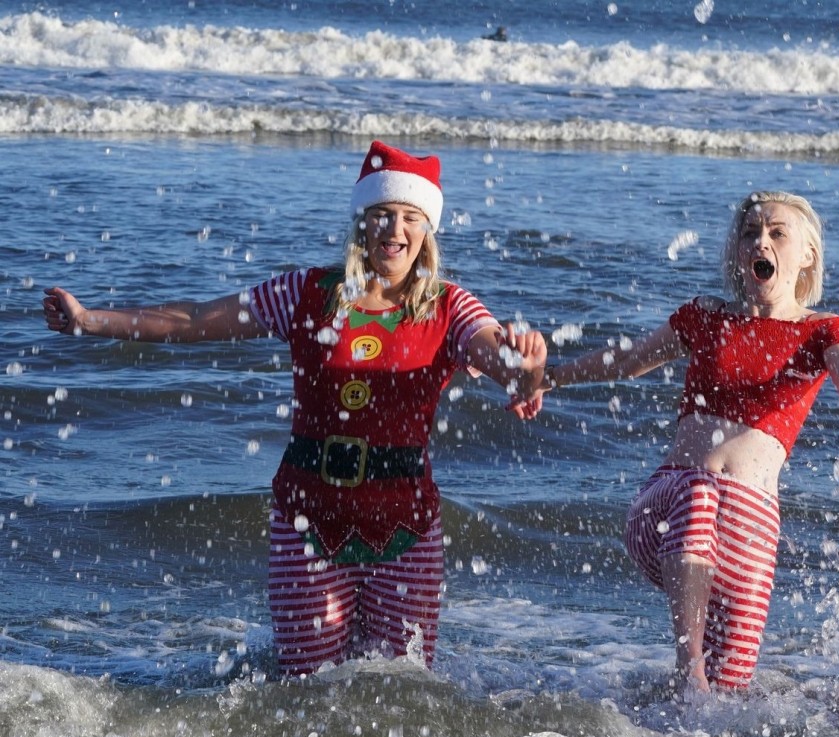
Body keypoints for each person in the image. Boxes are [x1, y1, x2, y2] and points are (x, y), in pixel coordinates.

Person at [41, 140, 546, 676]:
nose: (394, 231)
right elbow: (195, 320)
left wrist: (525, 369)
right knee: (302, 689)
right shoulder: (306, 294)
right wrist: (89, 321)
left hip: (406, 528)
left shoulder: (450, 306)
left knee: (403, 693)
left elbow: (498, 356)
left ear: (427, 231)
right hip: (307, 518)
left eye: (408, 218)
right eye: (382, 215)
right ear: (362, 223)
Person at [532, 190, 839, 697]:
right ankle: (688, 664)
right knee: (703, 495)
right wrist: (552, 377)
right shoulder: (706, 316)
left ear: (806, 256)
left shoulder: (822, 331)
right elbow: (630, 359)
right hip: (668, 507)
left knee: (724, 706)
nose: (761, 241)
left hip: (750, 528)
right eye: (750, 232)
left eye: (777, 233)